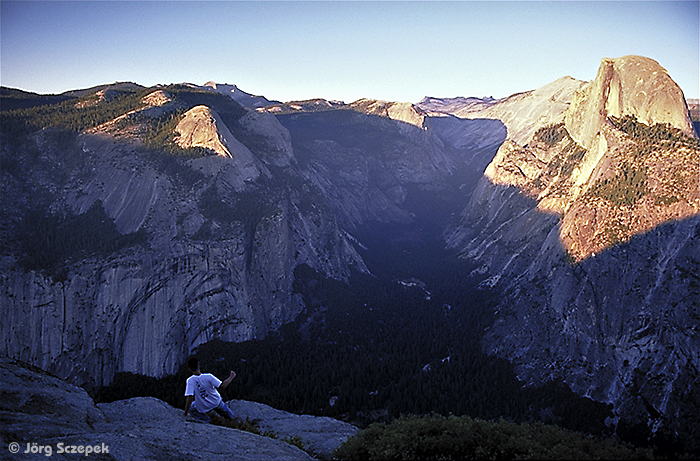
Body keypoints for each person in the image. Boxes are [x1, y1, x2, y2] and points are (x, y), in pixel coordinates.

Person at [183, 357, 237, 422]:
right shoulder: (208, 376)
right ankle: (235, 421)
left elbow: (190, 397)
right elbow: (222, 386)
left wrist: (185, 412)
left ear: (189, 369)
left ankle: (206, 420)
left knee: (191, 408)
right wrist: (231, 377)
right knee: (231, 417)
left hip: (203, 406)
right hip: (216, 402)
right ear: (199, 365)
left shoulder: (190, 380)